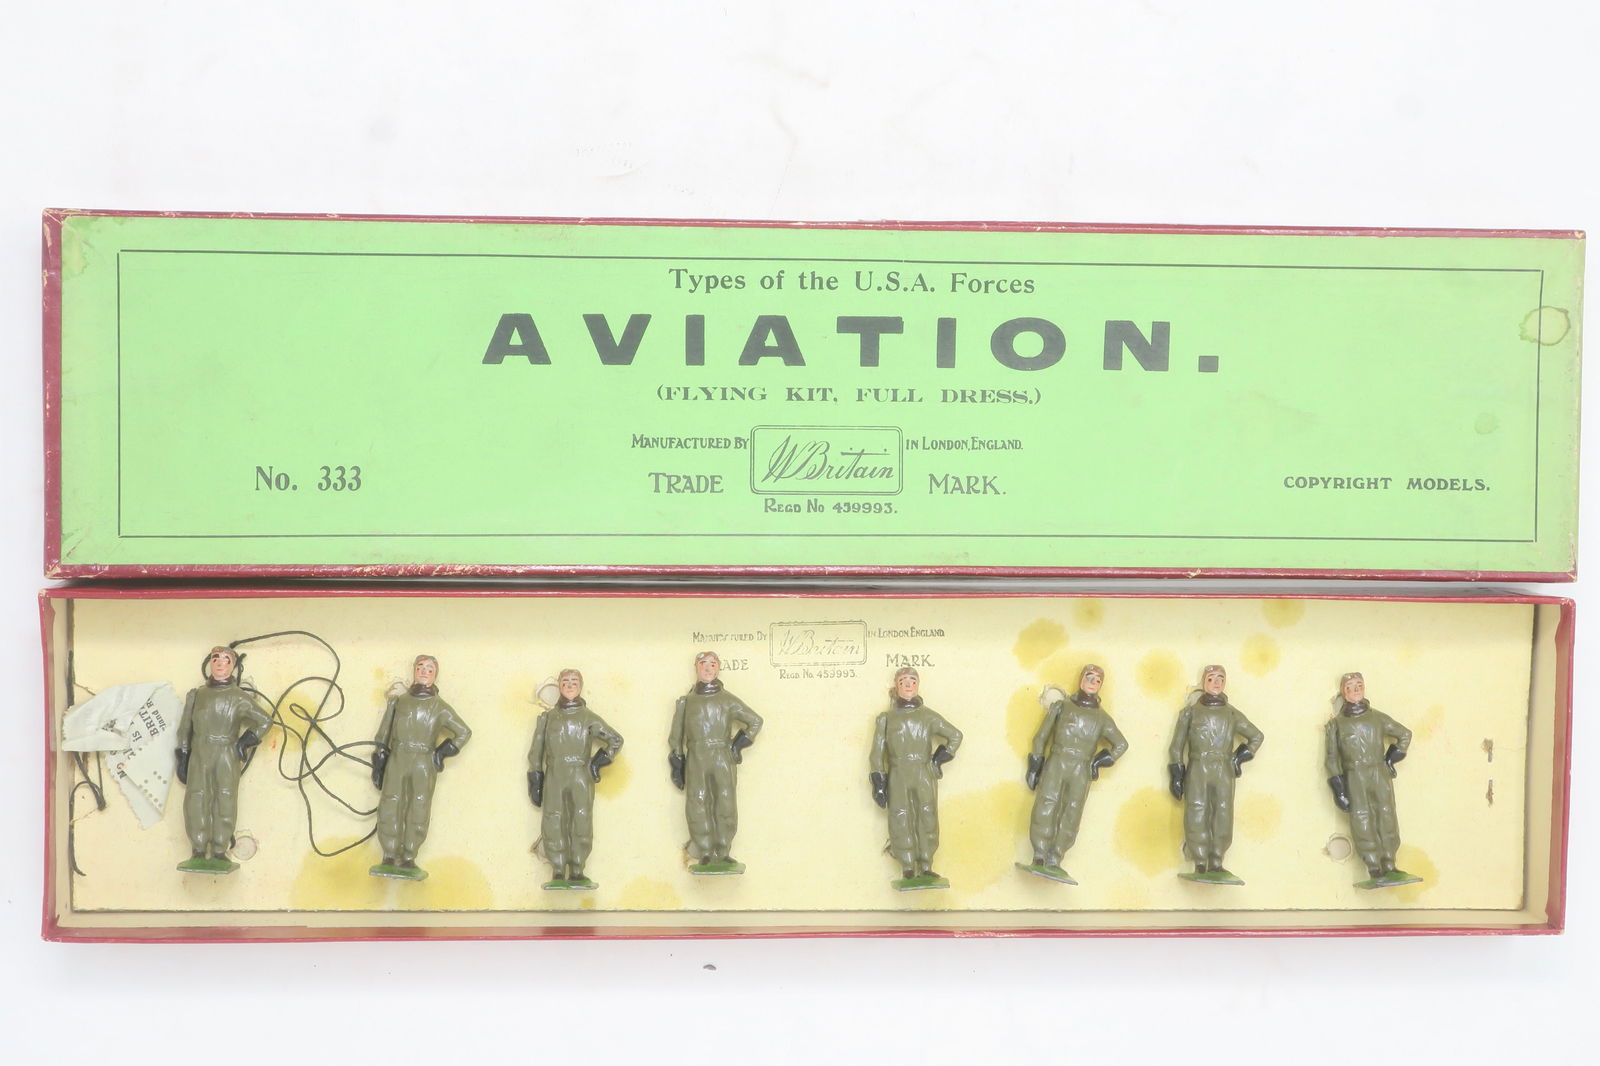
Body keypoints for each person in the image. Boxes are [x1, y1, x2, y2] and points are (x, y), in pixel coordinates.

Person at [1022, 664, 1127, 884]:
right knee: (1046, 804)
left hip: (1081, 767)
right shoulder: (1061, 707)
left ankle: (1056, 857)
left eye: (1098, 680)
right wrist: (1035, 764)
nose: (1093, 683)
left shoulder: (1102, 718)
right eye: (1090, 677)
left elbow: (1121, 744)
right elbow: (1041, 737)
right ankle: (1039, 853)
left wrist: (1097, 762)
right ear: (1081, 679)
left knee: (1072, 811)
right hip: (1057, 760)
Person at [369, 654, 471, 880]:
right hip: (398, 756)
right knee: (390, 802)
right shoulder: (398, 702)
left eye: (430, 669)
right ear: (414, 671)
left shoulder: (440, 707)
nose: (424, 671)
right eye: (421, 667)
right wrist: (380, 760)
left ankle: (409, 855)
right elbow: (384, 732)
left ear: (435, 675)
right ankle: (389, 853)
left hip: (424, 761)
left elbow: (464, 732)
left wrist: (441, 753)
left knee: (419, 806)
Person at [174, 645, 272, 874]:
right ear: (210, 663)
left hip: (226, 752)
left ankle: (220, 850)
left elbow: (265, 720)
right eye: (215, 658)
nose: (219, 663)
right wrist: (183, 754)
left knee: (225, 798)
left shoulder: (238, 697)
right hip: (200, 751)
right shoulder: (197, 695)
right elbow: (185, 726)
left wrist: (245, 742)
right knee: (196, 797)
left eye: (226, 659)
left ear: (233, 666)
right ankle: (198, 849)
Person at [1166, 665, 1263, 884]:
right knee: (1196, 810)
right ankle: (1200, 861)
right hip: (1198, 766)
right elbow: (1176, 746)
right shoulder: (1190, 713)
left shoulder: (1231, 713)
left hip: (1223, 768)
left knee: (1223, 811)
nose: (1217, 682)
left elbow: (1256, 736)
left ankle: (1217, 860)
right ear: (1204, 682)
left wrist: (1238, 758)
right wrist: (1176, 773)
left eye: (1221, 678)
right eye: (1212, 678)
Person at [669, 651, 764, 873]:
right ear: (696, 667)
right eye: (703, 664)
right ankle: (704, 850)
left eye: (712, 664)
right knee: (697, 802)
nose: (708, 668)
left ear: (718, 668)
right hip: (696, 756)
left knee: (725, 801)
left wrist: (736, 746)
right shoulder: (686, 702)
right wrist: (677, 762)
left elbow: (755, 721)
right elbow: (676, 735)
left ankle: (722, 850)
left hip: (722, 755)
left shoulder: (728, 700)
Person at [528, 669, 623, 889]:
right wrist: (535, 778)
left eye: (574, 681)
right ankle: (558, 869)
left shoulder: (588, 717)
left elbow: (615, 740)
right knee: (553, 819)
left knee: (582, 819)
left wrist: (598, 762)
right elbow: (536, 750)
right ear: (559, 685)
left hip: (581, 774)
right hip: (555, 774)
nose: (570, 685)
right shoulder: (548, 718)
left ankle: (578, 870)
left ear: (580, 686)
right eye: (565, 681)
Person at [869, 666, 963, 889]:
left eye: (912, 681)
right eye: (903, 681)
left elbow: (955, 735)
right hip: (898, 772)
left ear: (918, 685)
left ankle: (926, 864)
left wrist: (938, 760)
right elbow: (877, 752)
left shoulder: (928, 716)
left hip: (923, 771)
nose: (908, 685)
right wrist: (879, 783)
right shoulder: (886, 719)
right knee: (900, 817)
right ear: (897, 686)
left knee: (927, 815)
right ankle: (908, 866)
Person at [1325, 672, 1419, 888]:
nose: (1356, 690)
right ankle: (1373, 866)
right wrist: (1339, 789)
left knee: (1386, 814)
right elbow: (1331, 759)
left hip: (1378, 772)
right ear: (1343, 692)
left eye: (1359, 685)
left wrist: (1390, 759)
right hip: (1354, 774)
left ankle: (1390, 863)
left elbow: (1404, 734)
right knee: (1361, 817)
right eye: (1350, 686)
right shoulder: (1336, 725)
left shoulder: (1377, 718)